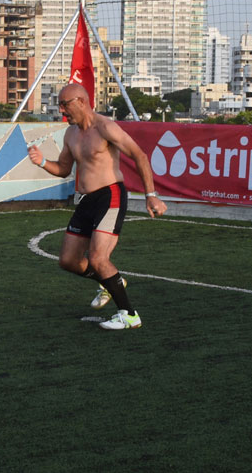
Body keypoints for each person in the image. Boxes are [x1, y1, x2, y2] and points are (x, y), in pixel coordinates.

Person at [27, 83, 167, 330]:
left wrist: (151, 194)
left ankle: (129, 314)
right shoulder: (70, 134)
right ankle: (112, 282)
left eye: (65, 104)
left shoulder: (105, 127)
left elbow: (139, 155)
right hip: (86, 200)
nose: (62, 110)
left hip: (110, 195)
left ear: (81, 101)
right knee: (68, 261)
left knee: (98, 257)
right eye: (60, 105)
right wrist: (41, 162)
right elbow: (63, 169)